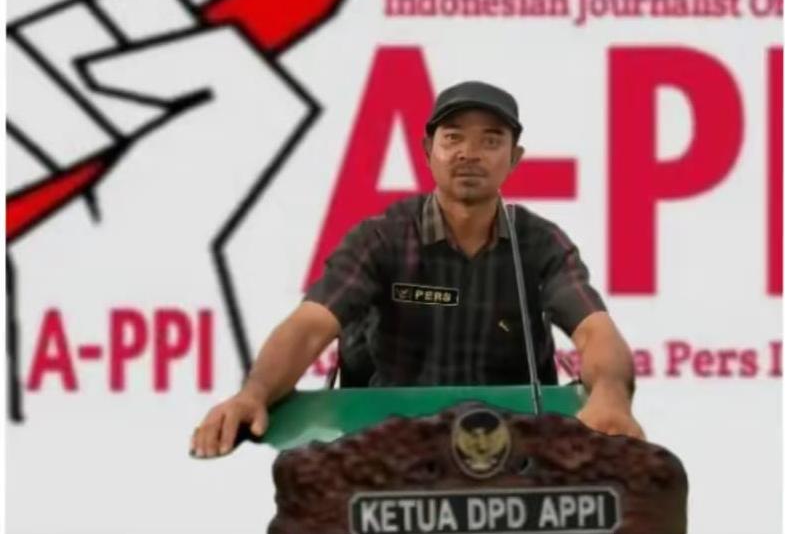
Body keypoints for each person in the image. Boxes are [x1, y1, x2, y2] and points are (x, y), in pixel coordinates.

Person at [192, 81, 644, 458]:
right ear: (428, 150)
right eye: (453, 138)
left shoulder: (540, 243)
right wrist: (253, 394)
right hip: (389, 448)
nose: (469, 153)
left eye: (490, 140)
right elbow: (309, 327)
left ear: (515, 157)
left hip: (511, 451)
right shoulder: (381, 238)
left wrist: (610, 396)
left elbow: (596, 332)